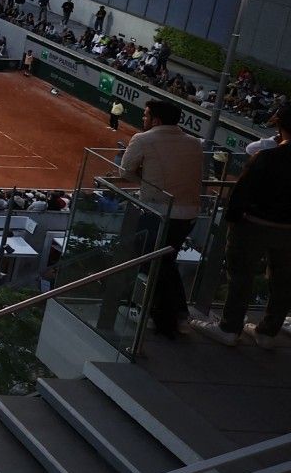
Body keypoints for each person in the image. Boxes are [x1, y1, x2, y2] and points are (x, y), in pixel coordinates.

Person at [195, 108, 291, 347]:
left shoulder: (266, 157)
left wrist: (232, 220)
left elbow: (240, 193)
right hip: (288, 233)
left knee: (240, 276)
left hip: (253, 226)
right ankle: (268, 333)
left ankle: (229, 328)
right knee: (283, 281)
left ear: (281, 127)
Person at [120, 100, 202, 339]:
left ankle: (161, 316)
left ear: (155, 120)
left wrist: (147, 182)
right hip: (188, 216)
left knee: (152, 263)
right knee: (166, 262)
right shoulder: (195, 142)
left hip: (158, 212)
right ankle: (176, 315)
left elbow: (124, 172)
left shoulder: (142, 139)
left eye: (146, 115)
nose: (143, 119)